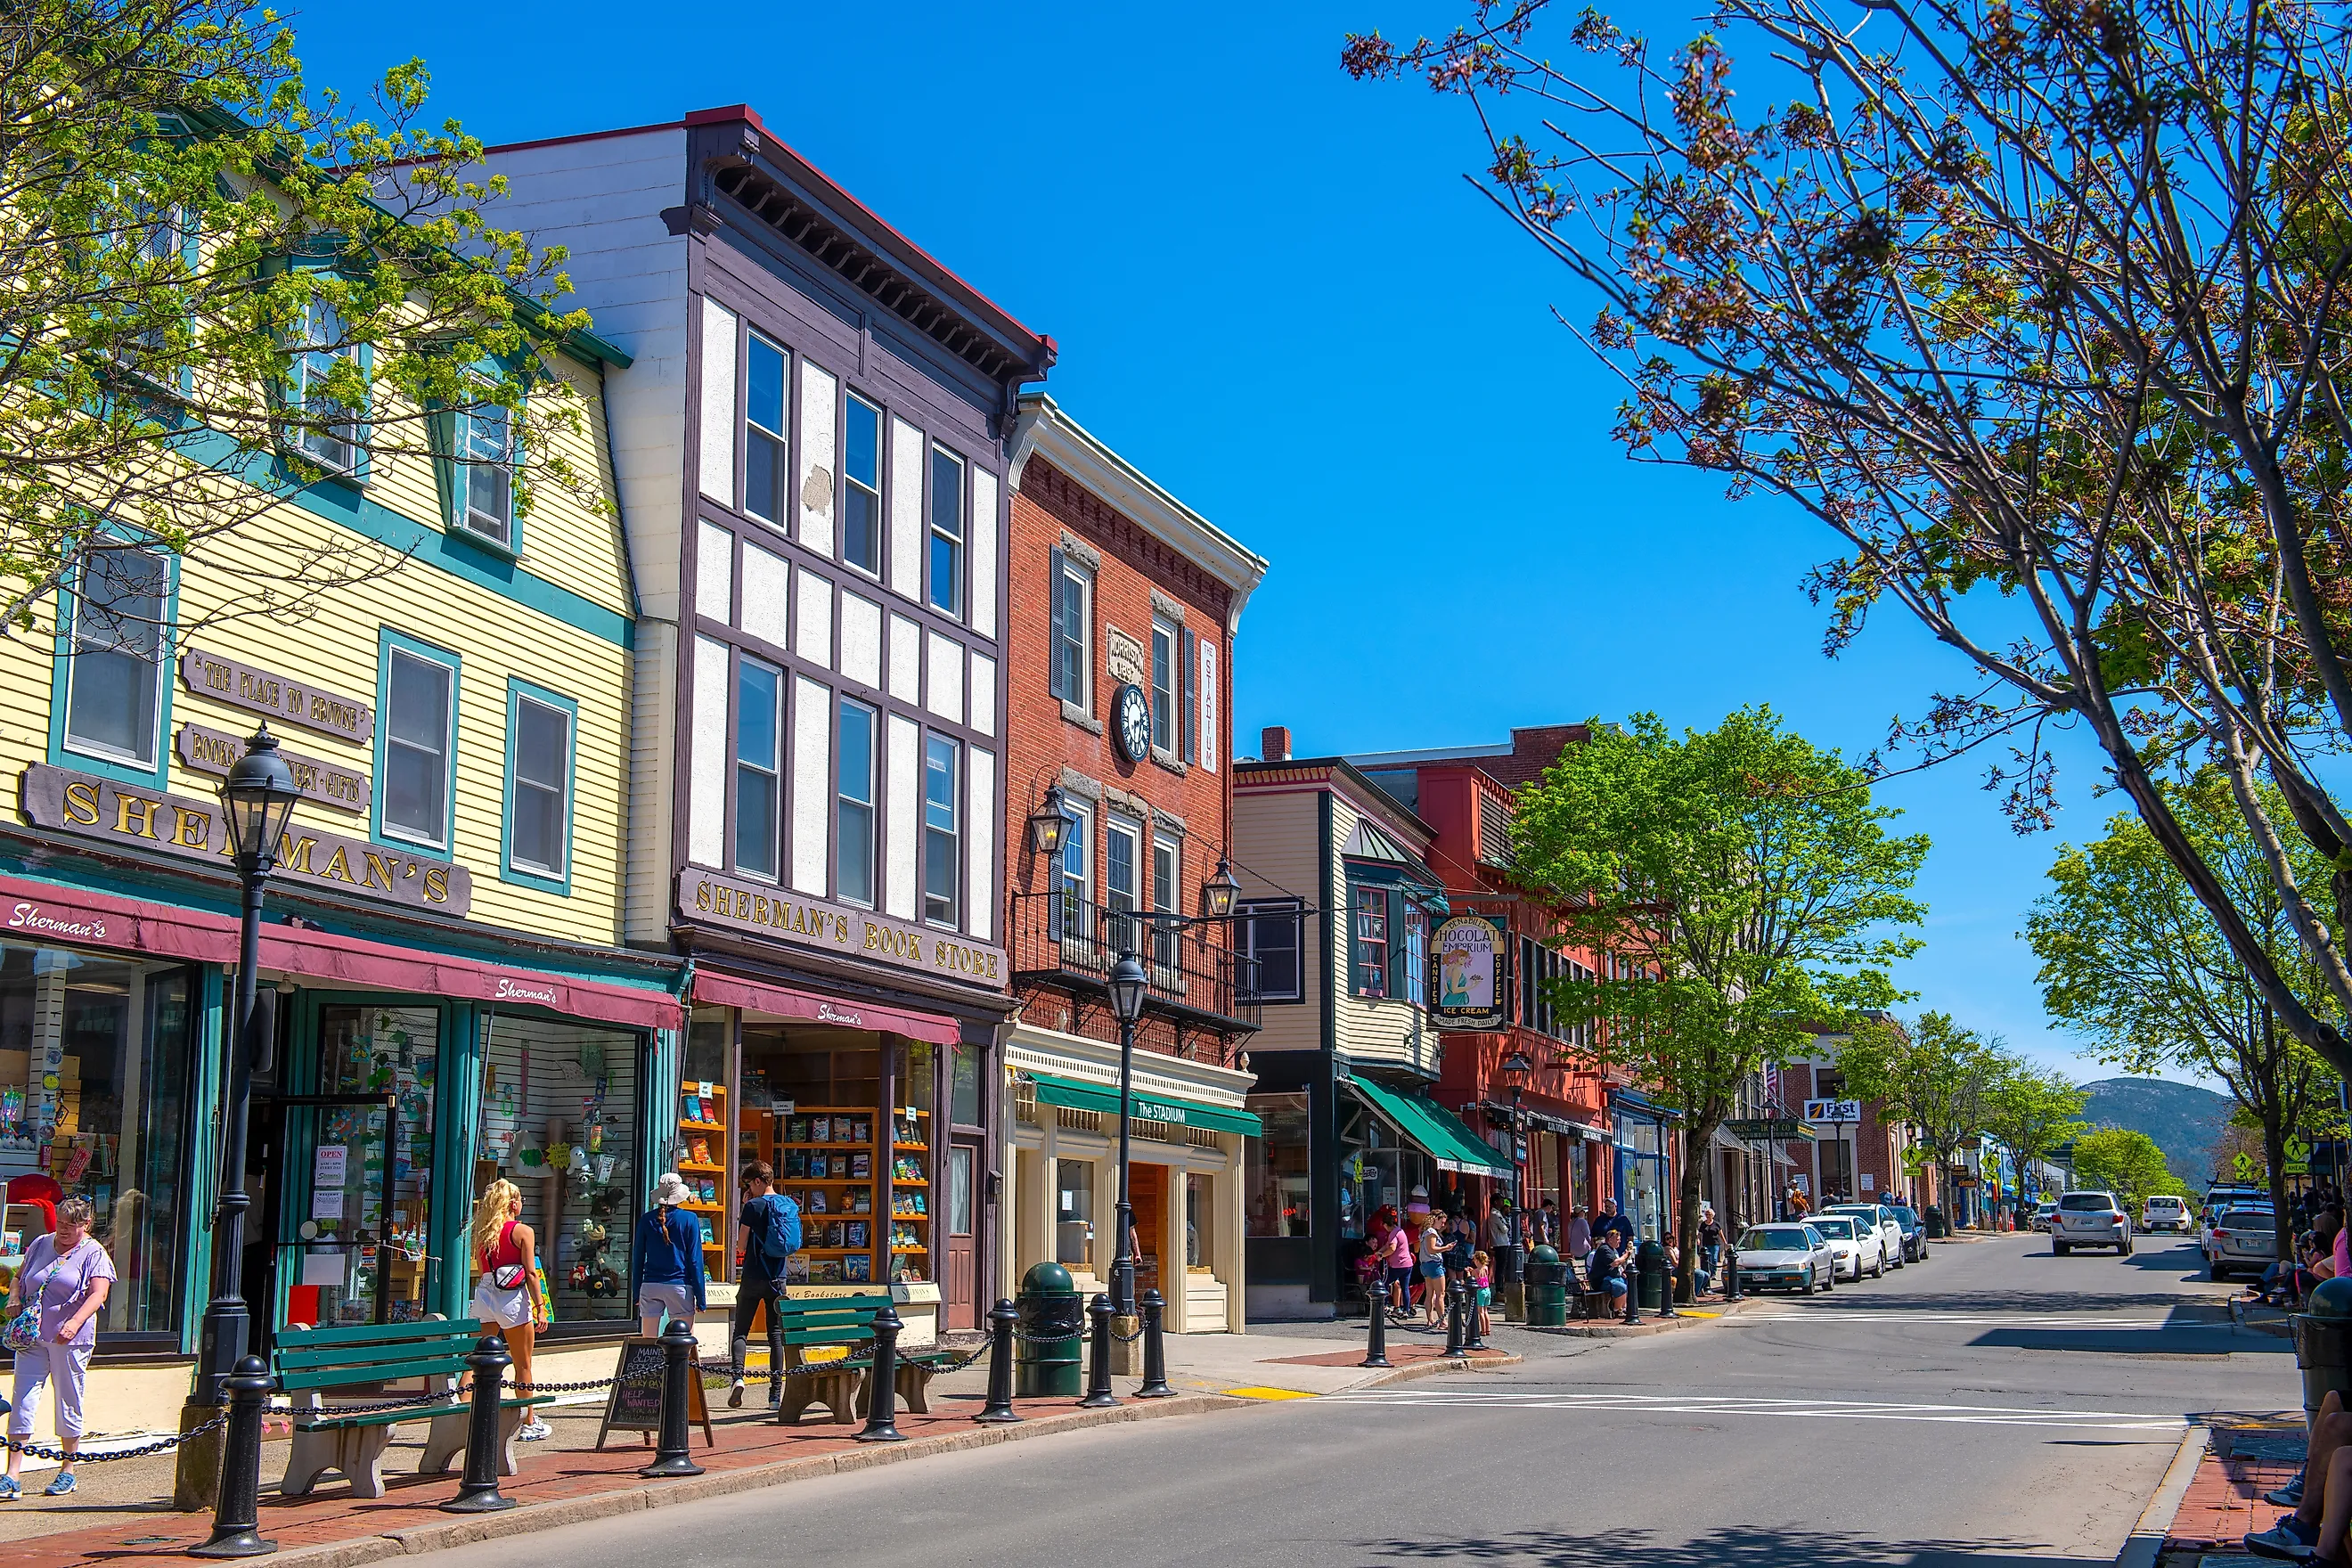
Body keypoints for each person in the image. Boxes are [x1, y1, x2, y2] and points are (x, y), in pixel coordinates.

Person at [0, 1199, 112, 1499]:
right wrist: (14, 1299)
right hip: (33, 1334)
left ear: (86, 1225)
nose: (63, 1230)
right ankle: (12, 1473)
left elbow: (98, 1293)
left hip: (70, 1338)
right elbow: (19, 1279)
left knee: (68, 1398)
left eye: (71, 1225)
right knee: (23, 1397)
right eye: (60, 1223)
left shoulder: (94, 1253)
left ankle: (68, 1470)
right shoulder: (40, 1243)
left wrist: (74, 1322)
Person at [470, 1181, 551, 1441]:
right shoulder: (522, 1231)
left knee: (477, 1360)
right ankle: (528, 1421)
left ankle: (462, 1413)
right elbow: (530, 1273)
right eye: (521, 1199)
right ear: (513, 1203)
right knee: (522, 1363)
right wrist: (541, 1308)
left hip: (484, 1295)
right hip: (512, 1298)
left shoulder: (484, 1231)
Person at [726, 1163, 798, 1409]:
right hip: (778, 1279)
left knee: (741, 1332)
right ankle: (775, 1396)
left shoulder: (754, 1206)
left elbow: (741, 1246)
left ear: (758, 1181)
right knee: (775, 1336)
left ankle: (737, 1378)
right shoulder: (787, 1204)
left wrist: (746, 1209)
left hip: (753, 1276)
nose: (749, 1189)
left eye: (749, 1184)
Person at [634, 1171, 708, 1337]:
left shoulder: (646, 1220)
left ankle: (650, 1364)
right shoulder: (689, 1219)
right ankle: (681, 1365)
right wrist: (701, 1298)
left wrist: (635, 1292)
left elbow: (638, 1259)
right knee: (684, 1341)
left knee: (649, 1341)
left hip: (650, 1285)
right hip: (679, 1285)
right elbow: (695, 1261)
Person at [1417, 1213, 1450, 1327]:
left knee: (1430, 1293)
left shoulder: (1424, 1232)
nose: (1443, 1225)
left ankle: (1430, 1319)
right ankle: (1442, 1321)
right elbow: (1432, 1249)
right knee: (1441, 1294)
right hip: (1434, 1264)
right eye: (1442, 1222)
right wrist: (1446, 1248)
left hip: (1425, 1265)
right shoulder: (1431, 1232)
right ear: (1436, 1219)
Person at [1584, 1230, 1629, 1315]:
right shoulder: (1604, 1249)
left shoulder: (1613, 1250)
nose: (1620, 1241)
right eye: (1617, 1239)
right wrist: (1626, 1255)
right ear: (1610, 1239)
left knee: (1625, 1282)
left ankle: (1623, 1308)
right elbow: (1615, 1263)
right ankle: (1617, 1310)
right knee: (1620, 1287)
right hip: (1601, 1281)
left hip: (1611, 1278)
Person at [1698, 1207, 1724, 1294]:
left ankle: (1713, 1273)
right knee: (1707, 1259)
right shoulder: (1703, 1224)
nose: (1708, 1216)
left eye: (1709, 1214)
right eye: (1707, 1214)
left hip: (1715, 1244)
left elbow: (1721, 1234)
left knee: (1714, 1258)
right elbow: (1700, 1233)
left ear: (1713, 1215)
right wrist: (1698, 1240)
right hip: (1706, 1244)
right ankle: (1708, 1273)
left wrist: (1725, 1243)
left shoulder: (1716, 1224)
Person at [1470, 1249, 1495, 1339]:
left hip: (1480, 1291)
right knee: (1485, 1311)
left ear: (1477, 1260)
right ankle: (1488, 1329)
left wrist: (1469, 1272)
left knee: (1480, 1312)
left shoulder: (1475, 1271)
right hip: (1487, 1290)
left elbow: (1471, 1279)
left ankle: (1483, 1330)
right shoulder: (1486, 1268)